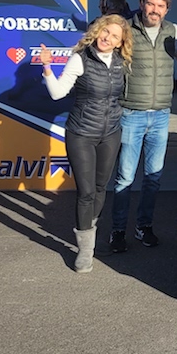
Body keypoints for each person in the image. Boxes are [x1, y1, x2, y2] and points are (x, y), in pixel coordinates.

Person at [40, 14, 132, 273]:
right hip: (81, 133)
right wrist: (47, 68)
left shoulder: (121, 63)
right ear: (97, 31)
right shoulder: (79, 59)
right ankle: (84, 251)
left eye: (114, 36)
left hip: (111, 134)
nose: (108, 38)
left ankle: (90, 236)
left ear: (120, 42)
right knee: (87, 192)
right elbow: (57, 93)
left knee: (101, 187)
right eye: (105, 32)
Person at [109, 0, 177, 252]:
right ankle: (117, 231)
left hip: (161, 115)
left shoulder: (172, 31)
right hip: (131, 114)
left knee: (153, 178)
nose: (155, 10)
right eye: (150, 4)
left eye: (161, 6)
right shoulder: (126, 29)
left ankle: (143, 227)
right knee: (125, 178)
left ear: (167, 9)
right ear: (141, 4)